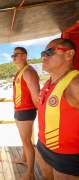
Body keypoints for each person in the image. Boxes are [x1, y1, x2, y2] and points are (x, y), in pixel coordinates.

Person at [36, 38, 79, 179]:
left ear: (69, 54)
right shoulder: (48, 83)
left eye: (50, 51)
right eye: (43, 52)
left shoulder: (75, 84)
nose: (44, 56)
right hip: (43, 147)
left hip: (67, 158)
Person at [12, 47, 40, 180]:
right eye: (12, 55)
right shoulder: (20, 71)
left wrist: (40, 110)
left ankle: (30, 174)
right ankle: (24, 158)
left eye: (16, 55)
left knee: (27, 141)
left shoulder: (29, 72)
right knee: (24, 139)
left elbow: (36, 94)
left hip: (26, 110)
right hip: (19, 109)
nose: (14, 57)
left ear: (24, 55)